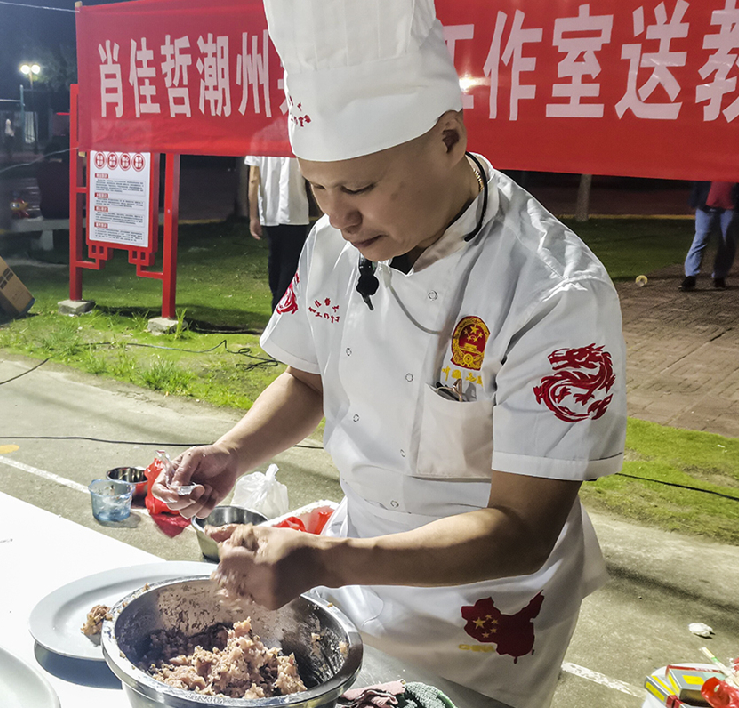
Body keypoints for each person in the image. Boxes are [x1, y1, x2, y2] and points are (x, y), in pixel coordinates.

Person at [152, 1, 627, 706]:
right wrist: (232, 454)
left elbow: (522, 529)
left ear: (448, 137)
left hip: (485, 612)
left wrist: (324, 559)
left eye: (360, 187)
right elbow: (309, 382)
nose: (338, 217)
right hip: (353, 567)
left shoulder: (555, 293)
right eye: (317, 187)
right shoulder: (330, 248)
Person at [246, 155, 313, 310]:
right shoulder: (295, 135)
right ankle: (280, 307)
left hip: (270, 211)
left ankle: (278, 303)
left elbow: (254, 179)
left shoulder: (260, 140)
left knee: (275, 259)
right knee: (291, 263)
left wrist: (253, 216)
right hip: (295, 210)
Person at [679, 181, 739, 291]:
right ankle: (690, 276)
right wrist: (694, 200)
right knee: (701, 238)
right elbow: (699, 180)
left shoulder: (738, 166)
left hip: (732, 206)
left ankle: (719, 276)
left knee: (727, 241)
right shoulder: (711, 164)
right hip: (706, 205)